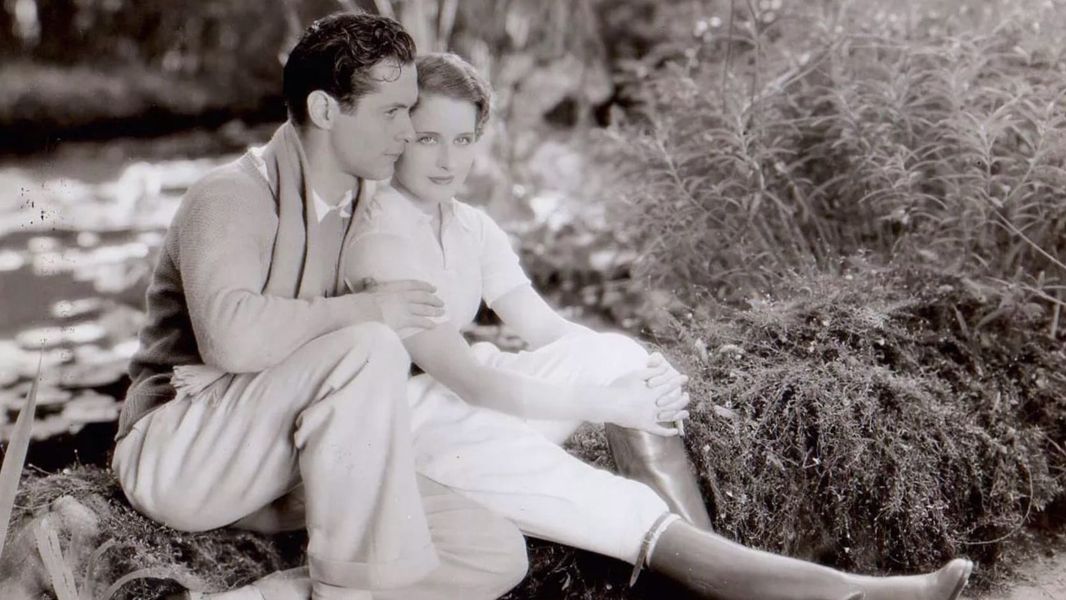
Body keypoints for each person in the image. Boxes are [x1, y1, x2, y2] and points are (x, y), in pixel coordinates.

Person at [338, 52, 973, 600]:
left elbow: (548, 331)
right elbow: (471, 383)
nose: (447, 159)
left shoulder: (470, 226)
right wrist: (604, 403)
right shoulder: (381, 238)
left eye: (462, 139)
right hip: (406, 427)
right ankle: (859, 594)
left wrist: (646, 371)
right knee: (603, 499)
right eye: (428, 138)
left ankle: (706, 571)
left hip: (458, 400)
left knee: (617, 353)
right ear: (399, 135)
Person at [109, 14, 529, 600]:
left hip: (291, 458)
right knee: (370, 344)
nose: (408, 130)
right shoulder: (231, 194)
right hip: (182, 456)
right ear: (325, 110)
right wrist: (366, 310)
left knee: (492, 552)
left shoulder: (374, 206)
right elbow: (232, 340)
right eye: (392, 112)